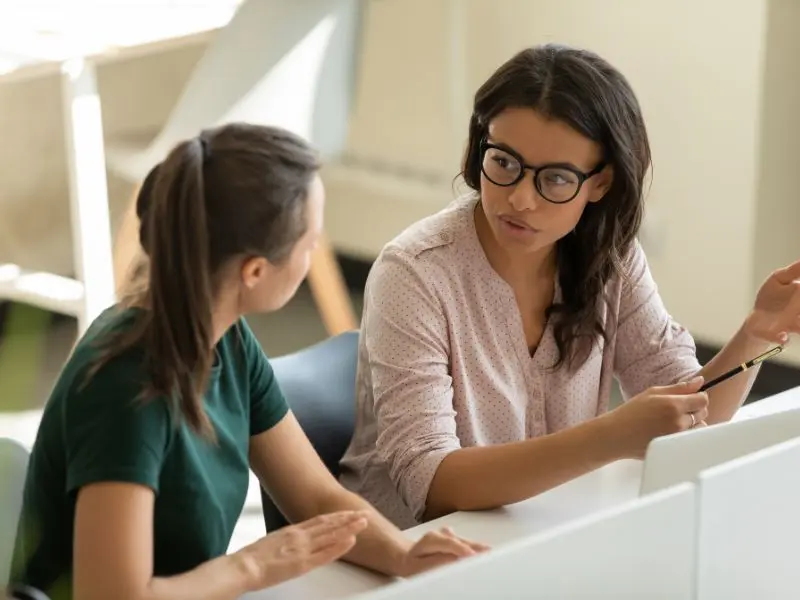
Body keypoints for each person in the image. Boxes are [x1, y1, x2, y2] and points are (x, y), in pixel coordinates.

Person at [10, 123, 485, 600]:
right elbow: (111, 596)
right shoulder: (127, 389)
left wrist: (404, 555)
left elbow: (317, 498)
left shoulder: (225, 338)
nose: (315, 250)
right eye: (310, 239)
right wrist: (255, 566)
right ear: (254, 271)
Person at [338, 43, 800, 530]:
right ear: (480, 147)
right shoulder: (414, 273)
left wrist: (759, 334)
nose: (519, 199)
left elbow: (690, 417)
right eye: (504, 162)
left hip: (545, 528)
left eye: (555, 179)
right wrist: (609, 437)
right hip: (412, 554)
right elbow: (431, 487)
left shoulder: (610, 255)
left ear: (600, 184)